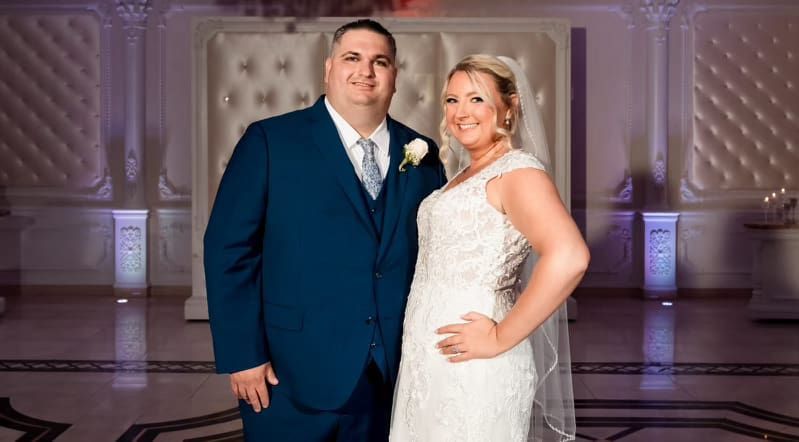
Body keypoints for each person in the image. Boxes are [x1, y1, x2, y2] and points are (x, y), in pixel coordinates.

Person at [203, 19, 446, 441]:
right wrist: (243, 355)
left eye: (380, 61)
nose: (365, 71)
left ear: (395, 76)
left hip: (393, 374)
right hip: (288, 371)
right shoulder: (270, 142)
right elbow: (228, 251)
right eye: (352, 58)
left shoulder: (423, 153)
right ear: (329, 68)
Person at [389, 54, 590, 441]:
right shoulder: (466, 173)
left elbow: (570, 257)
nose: (461, 112)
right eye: (452, 100)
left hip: (476, 361)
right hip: (430, 358)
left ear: (509, 106)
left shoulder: (518, 172)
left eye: (476, 99)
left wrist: (500, 337)